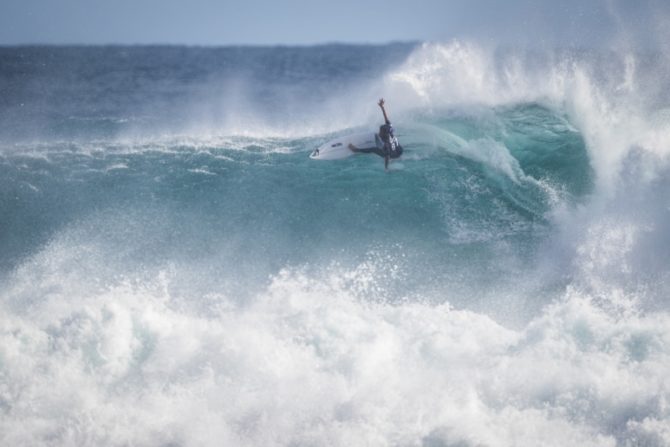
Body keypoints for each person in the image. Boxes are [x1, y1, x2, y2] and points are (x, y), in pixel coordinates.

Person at [349, 98, 403, 169]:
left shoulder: (386, 144)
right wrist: (382, 107)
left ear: (384, 134)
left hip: (393, 155)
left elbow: (387, 156)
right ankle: (396, 155)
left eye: (380, 131)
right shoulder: (389, 127)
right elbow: (386, 118)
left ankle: (355, 150)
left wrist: (386, 168)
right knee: (384, 143)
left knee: (374, 149)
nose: (379, 132)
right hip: (399, 151)